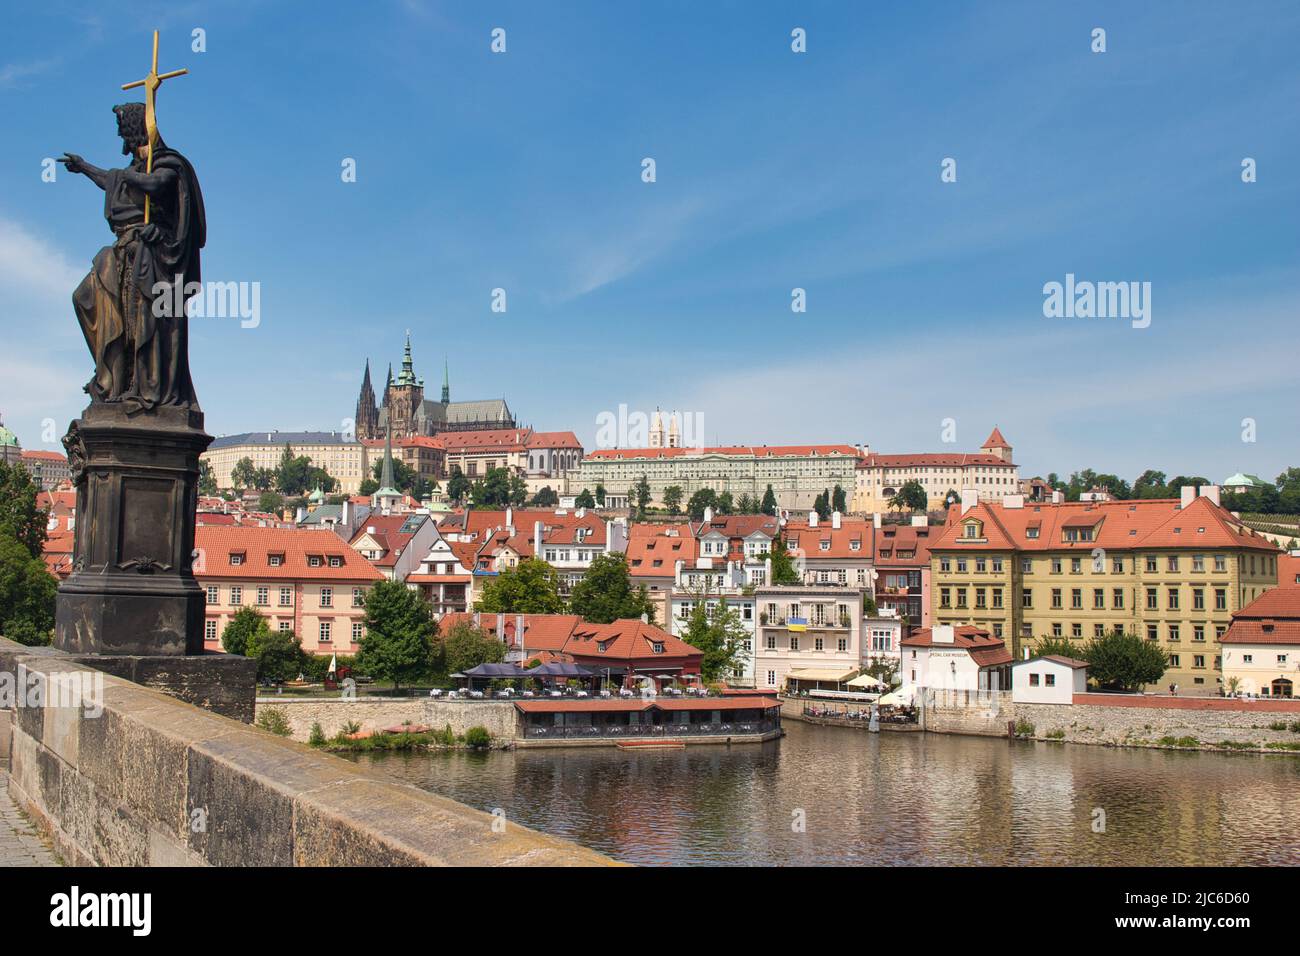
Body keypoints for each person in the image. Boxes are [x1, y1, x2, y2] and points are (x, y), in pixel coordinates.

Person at [59, 102, 206, 412]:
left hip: (153, 256)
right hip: (122, 251)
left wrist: (125, 177)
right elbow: (111, 180)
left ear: (133, 132)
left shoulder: (169, 163)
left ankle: (145, 387)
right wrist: (84, 167)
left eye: (122, 133)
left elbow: (157, 184)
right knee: (83, 297)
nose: (120, 140)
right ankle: (113, 378)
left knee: (144, 324)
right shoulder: (133, 171)